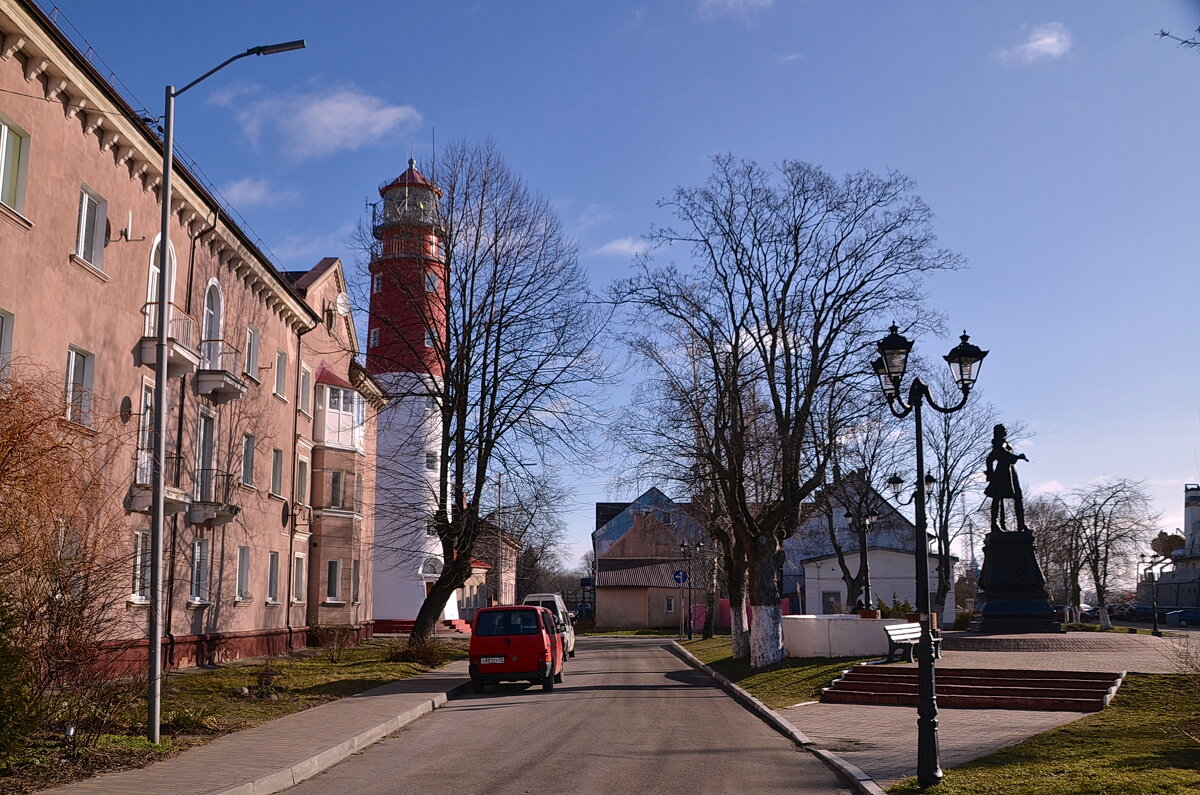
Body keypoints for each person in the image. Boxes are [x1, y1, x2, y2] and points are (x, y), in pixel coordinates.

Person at [985, 423, 1029, 532]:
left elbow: (990, 459)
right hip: (1003, 472)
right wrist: (1018, 456)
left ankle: (1020, 524)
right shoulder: (1000, 443)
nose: (1005, 432)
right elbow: (999, 454)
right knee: (999, 497)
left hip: (1009, 471)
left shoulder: (1001, 443)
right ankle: (998, 524)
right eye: (1003, 430)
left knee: (1011, 497)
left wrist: (990, 472)